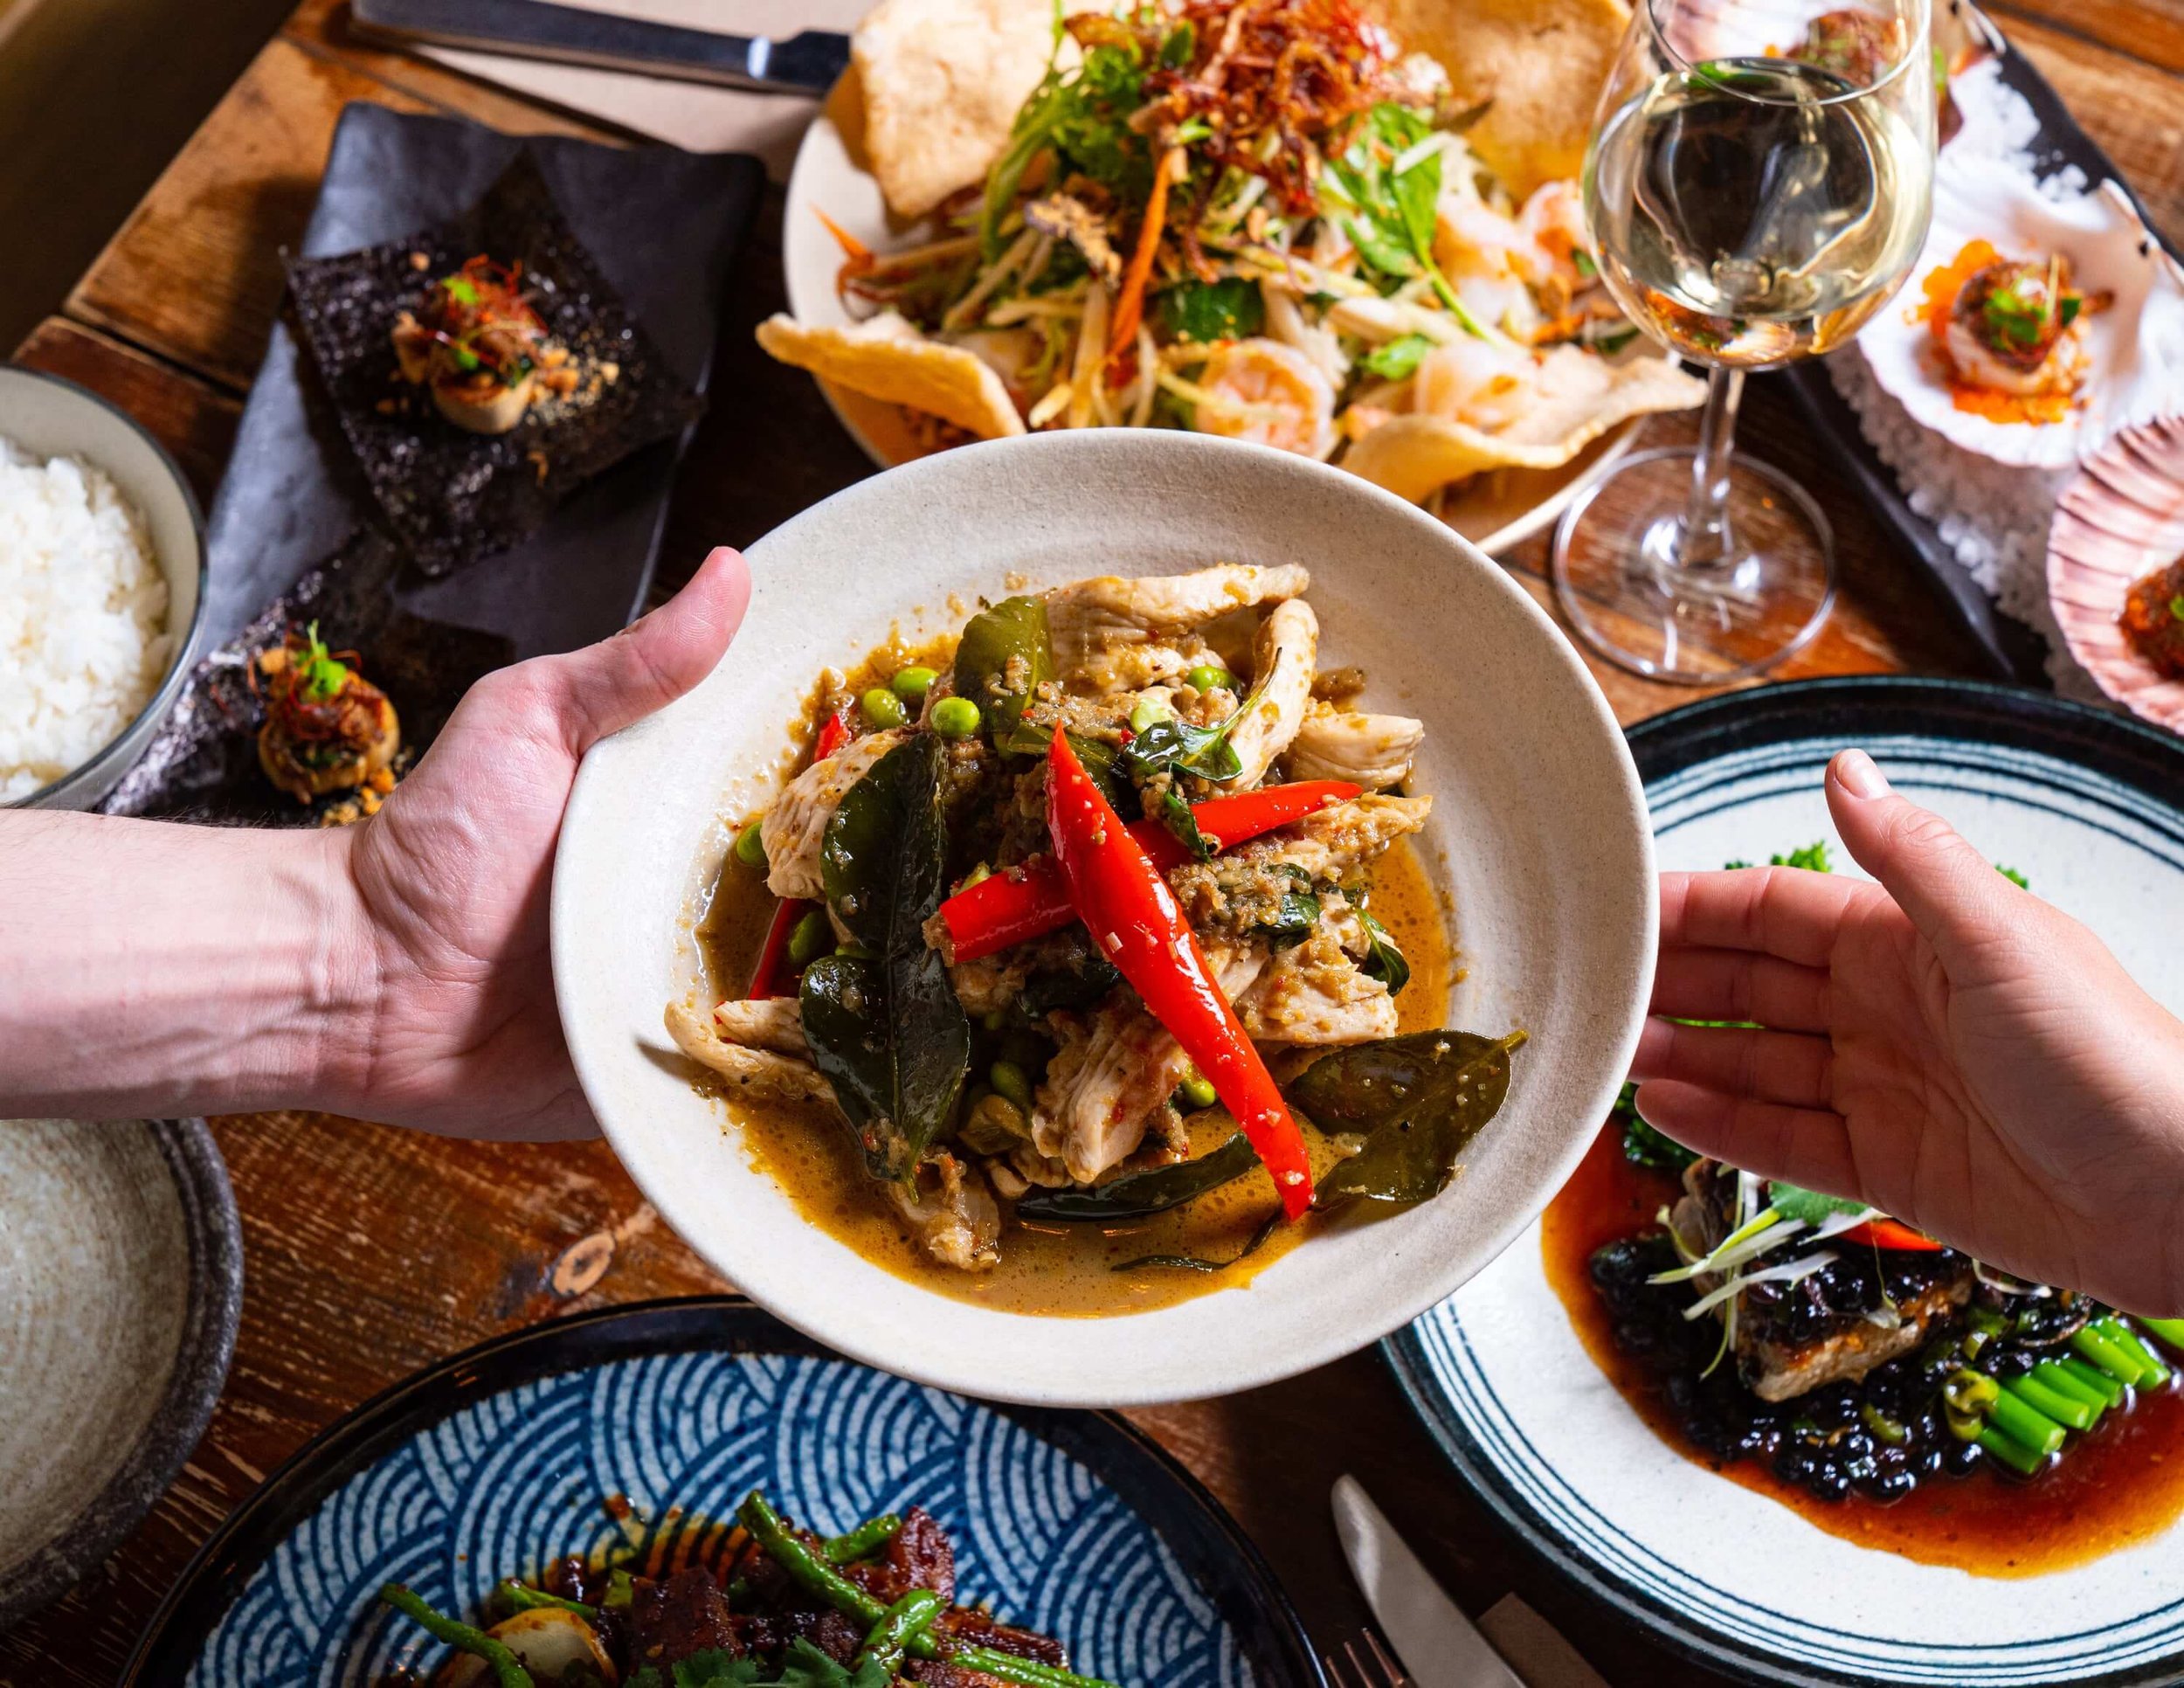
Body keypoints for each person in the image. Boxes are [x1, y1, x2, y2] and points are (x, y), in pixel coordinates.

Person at [3, 547, 2180, 1308]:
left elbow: (1294, 770)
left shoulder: (1287, 848)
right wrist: (368, 960)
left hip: (1173, 968)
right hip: (942, 956)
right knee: (992, 1097)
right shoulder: (932, 812)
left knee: (1103, 1097)